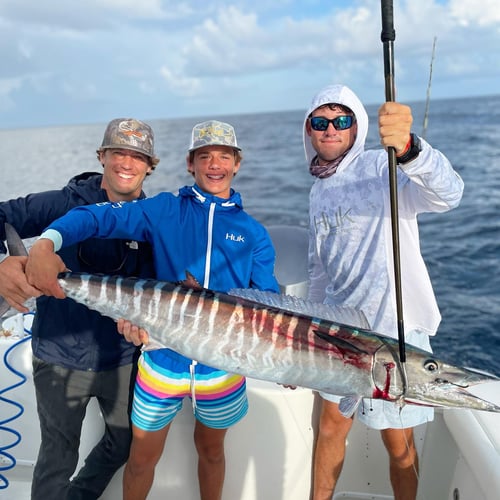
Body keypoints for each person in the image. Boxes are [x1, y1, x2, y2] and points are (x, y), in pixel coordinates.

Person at [24, 119, 280, 500]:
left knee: (212, 453)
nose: (214, 164)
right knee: (141, 458)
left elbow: (267, 304)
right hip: (162, 363)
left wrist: (282, 357)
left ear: (237, 163)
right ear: (190, 163)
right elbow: (99, 216)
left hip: (222, 368)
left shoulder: (254, 233)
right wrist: (48, 242)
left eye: (224, 156)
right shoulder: (164, 210)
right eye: (204, 156)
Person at [303, 84, 464, 500]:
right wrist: (309, 335)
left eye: (342, 120)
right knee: (329, 429)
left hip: (395, 335)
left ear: (356, 126)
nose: (331, 129)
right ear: (309, 130)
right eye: (321, 122)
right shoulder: (317, 190)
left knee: (399, 445)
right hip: (338, 335)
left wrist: (410, 150)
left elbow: (448, 194)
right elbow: (319, 268)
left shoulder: (381, 166)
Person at [0, 118, 158, 499]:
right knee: (58, 456)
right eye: (118, 152)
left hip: (121, 358)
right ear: (101, 156)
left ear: (150, 166)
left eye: (137, 156)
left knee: (123, 444)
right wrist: (3, 263)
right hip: (57, 353)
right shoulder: (63, 203)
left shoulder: (154, 219)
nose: (126, 162)